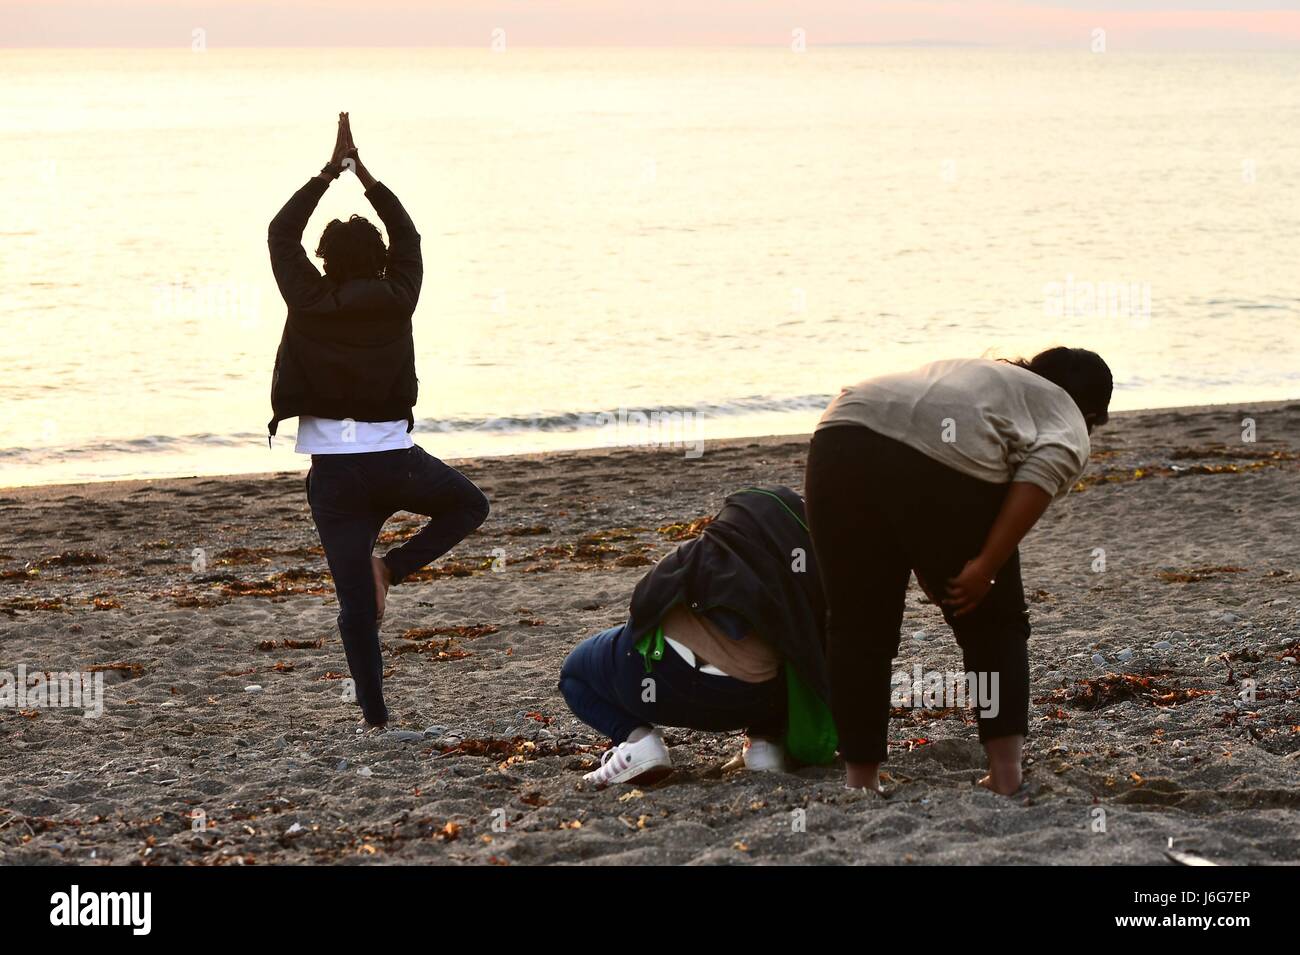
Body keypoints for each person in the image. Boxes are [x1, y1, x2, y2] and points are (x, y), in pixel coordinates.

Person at [804, 348, 1112, 795]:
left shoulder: (982, 374)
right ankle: (1006, 775)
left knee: (856, 624)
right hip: (938, 454)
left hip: (840, 429)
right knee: (995, 620)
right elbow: (1039, 478)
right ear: (1090, 413)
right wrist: (986, 567)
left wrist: (933, 556)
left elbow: (903, 477)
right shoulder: (1064, 413)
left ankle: (861, 781)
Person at [266, 113, 489, 728]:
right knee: (470, 506)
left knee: (355, 607)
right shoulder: (400, 295)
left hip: (336, 479)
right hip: (397, 465)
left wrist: (325, 174)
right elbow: (409, 236)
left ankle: (375, 715)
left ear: (325, 262)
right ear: (383, 260)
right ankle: (391, 566)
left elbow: (281, 235)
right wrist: (361, 174)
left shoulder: (308, 298)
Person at [559, 485, 837, 787]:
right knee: (789, 656)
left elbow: (644, 605)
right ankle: (763, 745)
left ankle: (637, 740)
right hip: (748, 701)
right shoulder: (808, 586)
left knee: (574, 673)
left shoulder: (715, 541)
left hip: (658, 685)